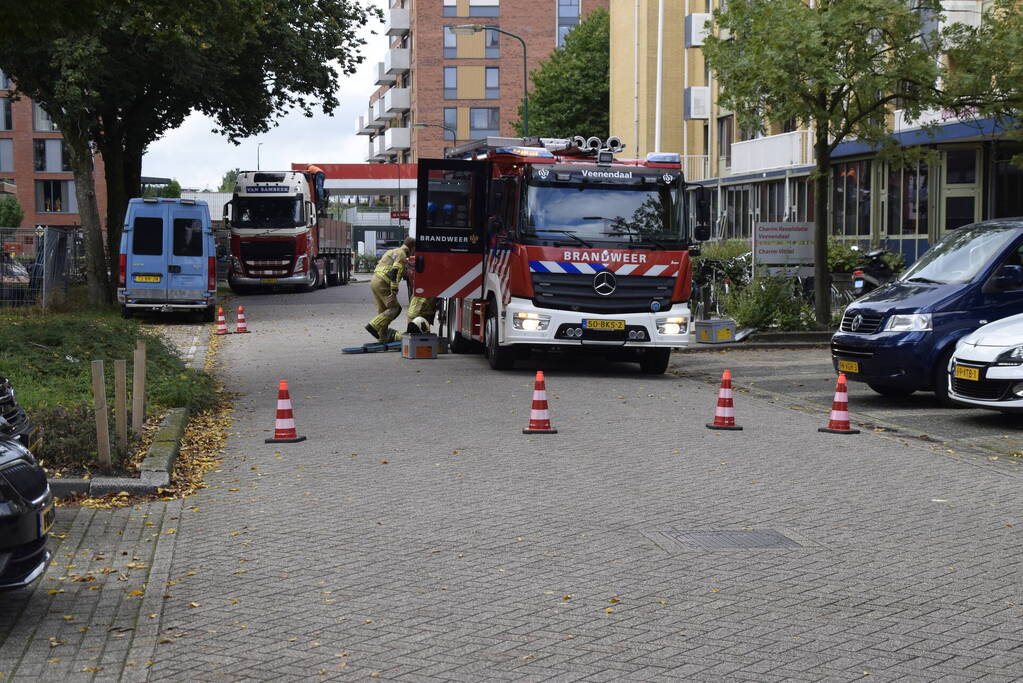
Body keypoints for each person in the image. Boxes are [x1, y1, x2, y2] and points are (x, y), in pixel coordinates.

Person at [366, 237, 415, 343]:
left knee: (383, 310)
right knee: (395, 309)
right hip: (383, 282)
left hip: (375, 280)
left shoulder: (392, 251)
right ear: (412, 248)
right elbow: (394, 272)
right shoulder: (402, 255)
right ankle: (373, 326)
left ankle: (382, 337)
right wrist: (394, 292)